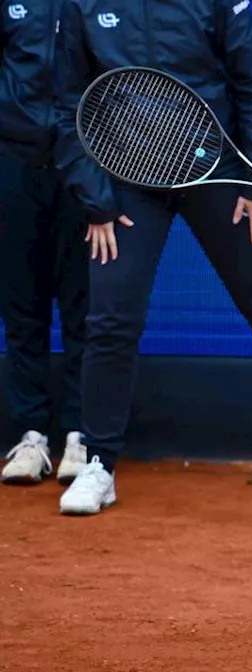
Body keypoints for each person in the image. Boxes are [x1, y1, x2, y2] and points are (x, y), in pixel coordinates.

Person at [49, 0, 252, 516]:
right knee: (110, 322)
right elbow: (68, 104)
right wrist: (94, 198)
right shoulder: (83, 6)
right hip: (125, 186)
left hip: (219, 171)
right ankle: (99, 465)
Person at [0, 0, 90, 487]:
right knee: (21, 306)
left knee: (86, 308)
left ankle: (81, 434)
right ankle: (31, 435)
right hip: (14, 164)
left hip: (83, 171)